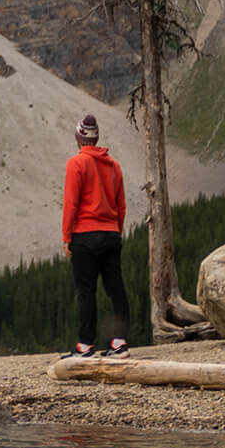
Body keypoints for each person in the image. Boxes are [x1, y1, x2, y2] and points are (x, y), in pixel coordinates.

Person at [63, 114, 130, 359]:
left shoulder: (76, 163)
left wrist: (67, 237)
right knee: (116, 290)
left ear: (78, 138)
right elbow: (121, 206)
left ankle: (85, 346)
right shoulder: (114, 165)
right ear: (97, 137)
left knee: (86, 291)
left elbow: (71, 204)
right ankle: (119, 343)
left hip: (84, 235)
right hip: (111, 233)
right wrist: (116, 230)